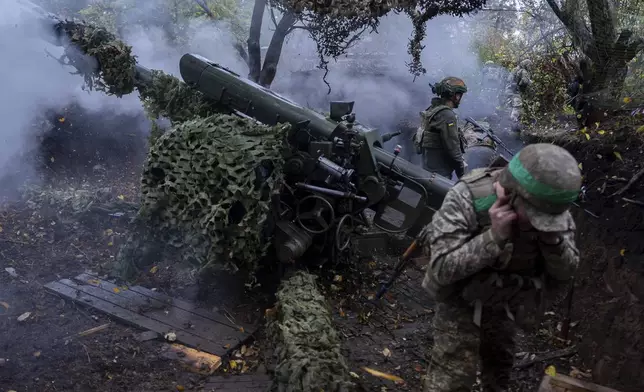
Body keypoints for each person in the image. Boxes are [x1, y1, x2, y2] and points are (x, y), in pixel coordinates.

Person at [418, 143, 581, 392]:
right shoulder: (468, 197)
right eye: (537, 217)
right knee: (452, 378)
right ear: (511, 193)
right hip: (461, 297)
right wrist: (493, 238)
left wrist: (553, 241)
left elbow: (566, 272)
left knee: (499, 368)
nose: (543, 225)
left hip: (507, 300)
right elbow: (441, 269)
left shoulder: (551, 205)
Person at [414, 77, 468, 179]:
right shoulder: (447, 115)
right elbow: (453, 150)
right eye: (460, 94)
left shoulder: (432, 109)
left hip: (427, 169)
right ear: (455, 95)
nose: (460, 98)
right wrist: (463, 176)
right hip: (439, 175)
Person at [505, 59, 533, 133]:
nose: (530, 67)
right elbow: (525, 81)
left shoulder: (515, 69)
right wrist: (530, 82)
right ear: (526, 65)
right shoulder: (523, 71)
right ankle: (514, 128)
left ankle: (512, 127)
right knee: (517, 108)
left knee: (512, 108)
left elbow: (509, 80)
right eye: (529, 65)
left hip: (509, 91)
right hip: (516, 92)